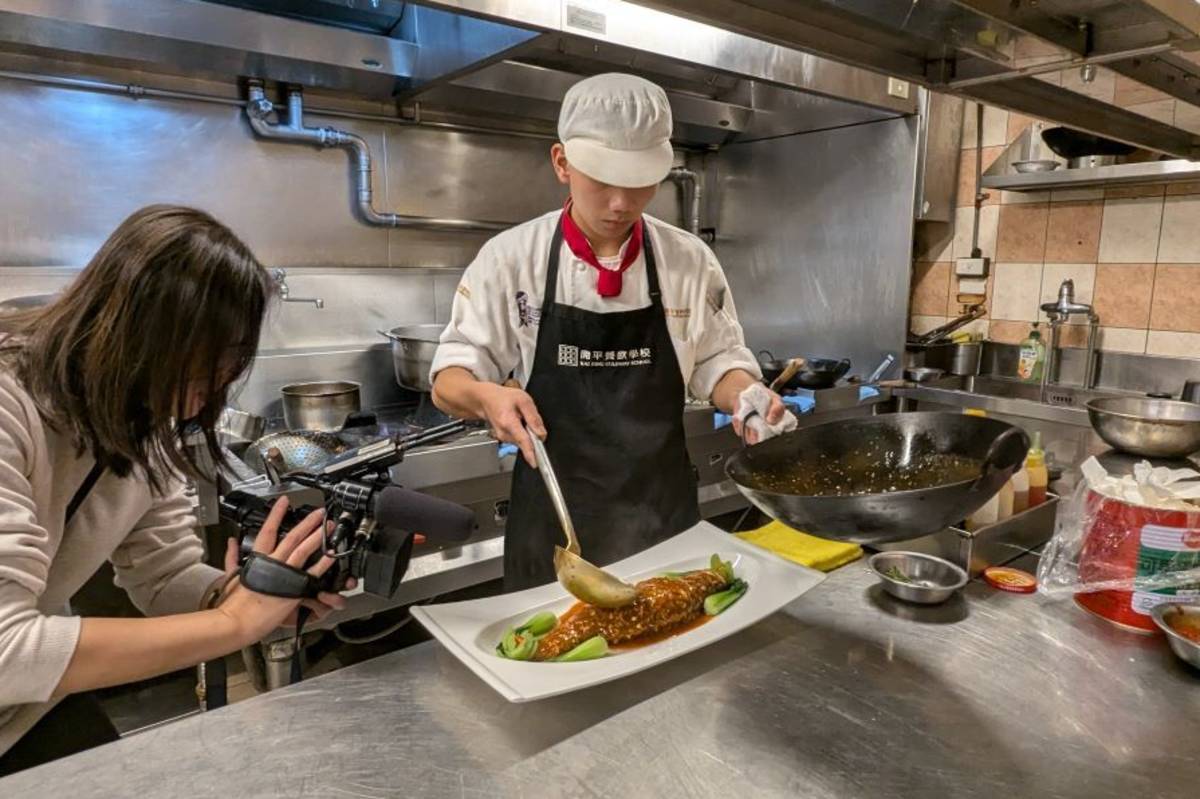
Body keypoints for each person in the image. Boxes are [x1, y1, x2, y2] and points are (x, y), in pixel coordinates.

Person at [0, 205, 347, 774]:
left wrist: (240, 595)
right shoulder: (11, 403)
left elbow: (161, 575)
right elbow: (7, 649)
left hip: (26, 708)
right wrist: (232, 624)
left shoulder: (145, 415)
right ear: (133, 335)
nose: (209, 392)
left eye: (229, 365)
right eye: (203, 367)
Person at [431, 73, 795, 591]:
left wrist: (748, 396)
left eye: (640, 180)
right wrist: (486, 396)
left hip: (663, 517)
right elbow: (449, 380)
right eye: (602, 179)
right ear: (562, 163)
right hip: (555, 529)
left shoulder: (689, 261)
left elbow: (718, 362)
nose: (621, 202)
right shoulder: (511, 259)